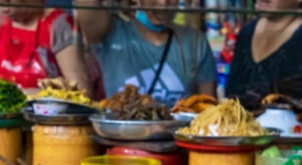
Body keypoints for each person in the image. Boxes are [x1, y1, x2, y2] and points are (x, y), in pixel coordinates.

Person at [76, 0, 216, 104]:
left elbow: (209, 109)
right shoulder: (112, 33)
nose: (162, 3)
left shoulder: (196, 42)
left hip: (178, 141)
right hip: (122, 138)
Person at [0, 0, 91, 94]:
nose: (3, 9)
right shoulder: (1, 20)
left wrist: (31, 95)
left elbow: (81, 91)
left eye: (8, 2)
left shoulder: (59, 25)